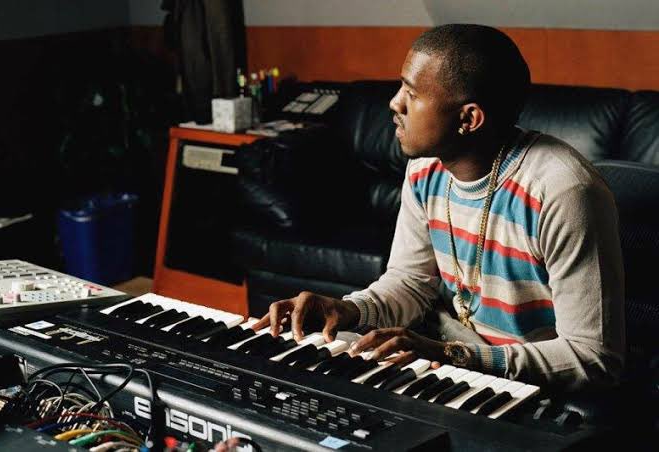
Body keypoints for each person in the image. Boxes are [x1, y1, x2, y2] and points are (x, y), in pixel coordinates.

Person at [253, 24, 625, 392]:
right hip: (447, 368)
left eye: (411, 93)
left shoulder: (564, 192)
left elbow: (592, 357)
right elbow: (410, 283)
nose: (394, 103)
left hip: (526, 389)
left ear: (468, 119)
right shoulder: (425, 167)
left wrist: (454, 355)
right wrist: (347, 309)